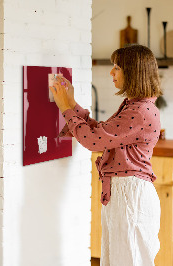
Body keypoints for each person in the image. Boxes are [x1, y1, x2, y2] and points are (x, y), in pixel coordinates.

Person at [50, 44, 162, 266]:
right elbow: (101, 133)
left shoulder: (139, 111)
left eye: (117, 67)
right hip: (125, 194)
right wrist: (71, 104)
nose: (112, 73)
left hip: (130, 197)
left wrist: (65, 108)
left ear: (133, 72)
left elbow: (93, 141)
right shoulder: (135, 106)